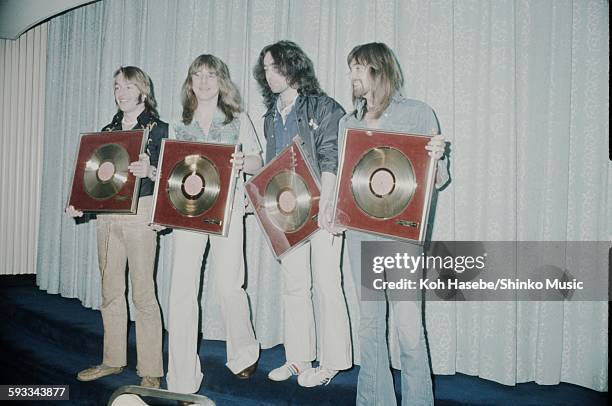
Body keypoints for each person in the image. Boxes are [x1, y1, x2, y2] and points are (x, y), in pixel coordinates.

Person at [336, 42, 448, 405]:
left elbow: (438, 179)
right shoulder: (348, 123)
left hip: (401, 237)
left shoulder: (417, 114)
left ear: (380, 71)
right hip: (359, 236)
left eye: (359, 67)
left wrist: (438, 158)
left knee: (408, 327)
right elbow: (345, 182)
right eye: (351, 67)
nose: (352, 75)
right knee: (369, 326)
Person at [253, 40, 352, 387]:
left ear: (294, 66)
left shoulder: (324, 107)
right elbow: (270, 167)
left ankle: (332, 362)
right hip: (287, 211)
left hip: (322, 206)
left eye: (276, 66)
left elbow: (331, 155)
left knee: (328, 284)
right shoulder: (269, 116)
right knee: (295, 287)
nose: (270, 74)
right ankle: (298, 358)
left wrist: (326, 203)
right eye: (265, 68)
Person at [165, 54, 262, 395]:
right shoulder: (177, 123)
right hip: (186, 213)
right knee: (181, 292)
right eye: (197, 75)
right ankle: (181, 378)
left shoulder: (238, 119)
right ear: (190, 82)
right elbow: (169, 175)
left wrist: (242, 160)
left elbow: (257, 160)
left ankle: (244, 353)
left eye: (210, 75)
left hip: (228, 210)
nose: (204, 81)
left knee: (229, 286)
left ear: (221, 81)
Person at [66, 66, 167, 388]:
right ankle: (112, 360)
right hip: (108, 216)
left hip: (142, 213)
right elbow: (96, 179)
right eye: (116, 87)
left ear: (143, 91)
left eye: (127, 87)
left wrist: (151, 171)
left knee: (143, 294)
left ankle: (150, 368)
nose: (120, 93)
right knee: (110, 293)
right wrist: (80, 204)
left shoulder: (160, 129)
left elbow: (174, 176)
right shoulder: (106, 131)